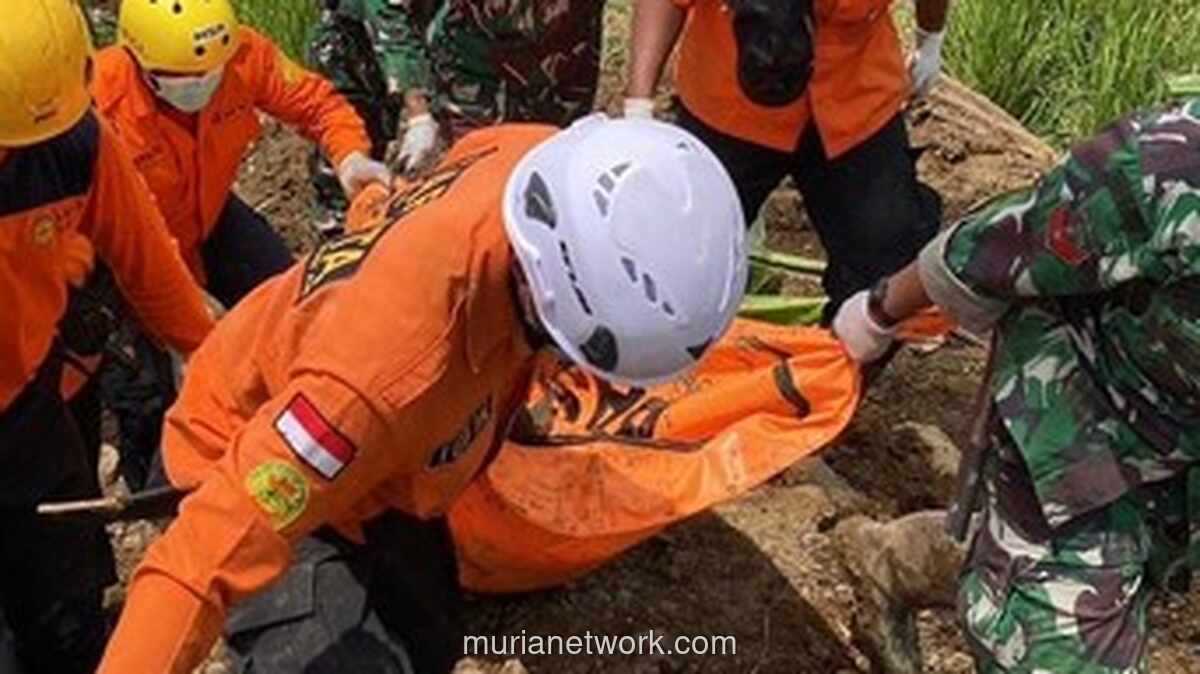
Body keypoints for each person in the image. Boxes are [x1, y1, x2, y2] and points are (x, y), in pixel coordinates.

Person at [96, 114, 748, 674]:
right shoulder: (375, 383)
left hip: (396, 470)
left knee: (431, 638)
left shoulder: (540, 166)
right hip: (251, 451)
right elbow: (208, 551)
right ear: (548, 304)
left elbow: (430, 198)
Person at [833, 99, 1200, 673]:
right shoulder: (1175, 162)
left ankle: (890, 561)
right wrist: (878, 315)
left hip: (1181, 450)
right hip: (1084, 415)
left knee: (1036, 562)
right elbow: (1009, 239)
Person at [88, 0, 391, 487]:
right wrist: (191, 333)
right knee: (144, 388)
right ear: (139, 61)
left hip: (209, 216)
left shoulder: (241, 56)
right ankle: (160, 493)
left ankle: (317, 425)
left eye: (211, 72)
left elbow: (315, 102)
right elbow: (139, 243)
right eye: (183, 77)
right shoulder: (100, 100)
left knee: (293, 300)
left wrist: (350, 156)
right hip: (127, 252)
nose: (202, 85)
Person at [0, 2, 215, 672]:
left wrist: (217, 364)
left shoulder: (74, 144)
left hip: (23, 405)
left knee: (66, 599)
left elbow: (149, 267)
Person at [626, 0, 947, 318]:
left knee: (888, 269)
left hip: (854, 98)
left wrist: (930, 37)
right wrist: (639, 103)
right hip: (731, 103)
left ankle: (843, 362)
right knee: (673, 265)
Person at [307, 0, 607, 235]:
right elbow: (390, 10)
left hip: (453, 22)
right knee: (353, 137)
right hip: (361, 22)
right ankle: (341, 251)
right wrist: (419, 115)